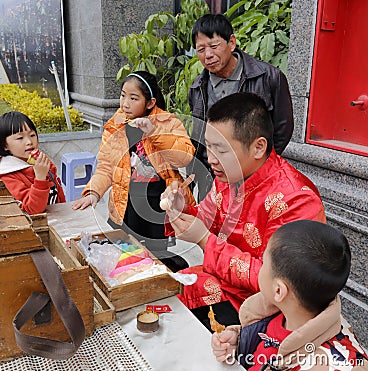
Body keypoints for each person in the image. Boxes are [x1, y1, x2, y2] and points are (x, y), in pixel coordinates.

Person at [162, 92, 325, 329]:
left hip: (266, 309)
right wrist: (182, 208)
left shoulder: (295, 198)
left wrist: (205, 242)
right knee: (163, 301)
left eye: (221, 150)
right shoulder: (229, 176)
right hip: (223, 284)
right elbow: (208, 219)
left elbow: (278, 282)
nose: (211, 159)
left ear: (258, 147)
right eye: (208, 147)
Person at [72, 71, 195, 272]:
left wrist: (153, 132)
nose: (125, 103)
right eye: (122, 95)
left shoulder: (168, 122)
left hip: (157, 204)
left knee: (155, 256)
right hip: (124, 201)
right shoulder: (115, 126)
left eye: (133, 98)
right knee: (125, 253)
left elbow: (184, 157)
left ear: (150, 102)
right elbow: (105, 166)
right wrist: (94, 192)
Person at [211, 220, 368, 371]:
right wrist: (239, 344)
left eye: (264, 262)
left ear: (279, 291)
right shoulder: (279, 313)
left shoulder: (325, 365)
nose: (261, 266)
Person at [187, 13, 294, 200]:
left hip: (255, 177)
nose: (208, 55)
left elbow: (283, 128)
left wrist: (256, 164)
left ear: (232, 43)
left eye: (214, 46)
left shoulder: (269, 77)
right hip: (213, 178)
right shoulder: (197, 88)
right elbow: (200, 135)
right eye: (201, 49)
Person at [0, 111, 65, 214]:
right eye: (20, 138)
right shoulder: (7, 176)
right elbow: (32, 209)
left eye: (32, 135)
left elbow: (56, 189)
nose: (29, 142)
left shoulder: (39, 160)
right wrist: (40, 178)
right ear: (5, 145)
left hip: (58, 216)